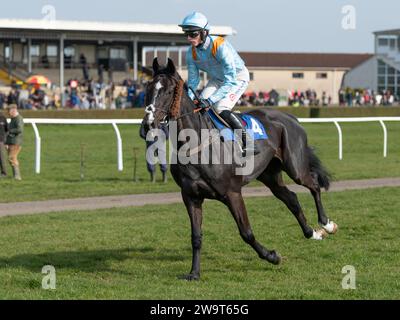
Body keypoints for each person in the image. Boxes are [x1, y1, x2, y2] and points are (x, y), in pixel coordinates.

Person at [179, 12, 259, 156]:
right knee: (199, 106)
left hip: (237, 78)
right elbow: (193, 81)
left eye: (193, 34)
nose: (189, 38)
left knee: (220, 106)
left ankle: (249, 142)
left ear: (205, 32)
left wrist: (210, 100)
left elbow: (230, 79)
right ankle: (209, 140)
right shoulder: (191, 53)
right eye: (187, 34)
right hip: (217, 79)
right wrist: (190, 99)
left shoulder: (219, 45)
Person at [5, 105, 24, 180]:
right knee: (13, 158)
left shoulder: (18, 118)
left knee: (11, 158)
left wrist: (9, 131)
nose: (8, 113)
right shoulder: (13, 118)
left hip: (15, 142)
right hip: (11, 142)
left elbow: (19, 129)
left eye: (8, 111)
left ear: (13, 110)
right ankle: (16, 176)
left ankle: (17, 176)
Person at [0, 110, 8, 177]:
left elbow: (7, 129)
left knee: (2, 157)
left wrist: (5, 140)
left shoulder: (3, 118)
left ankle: (4, 173)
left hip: (1, 141)